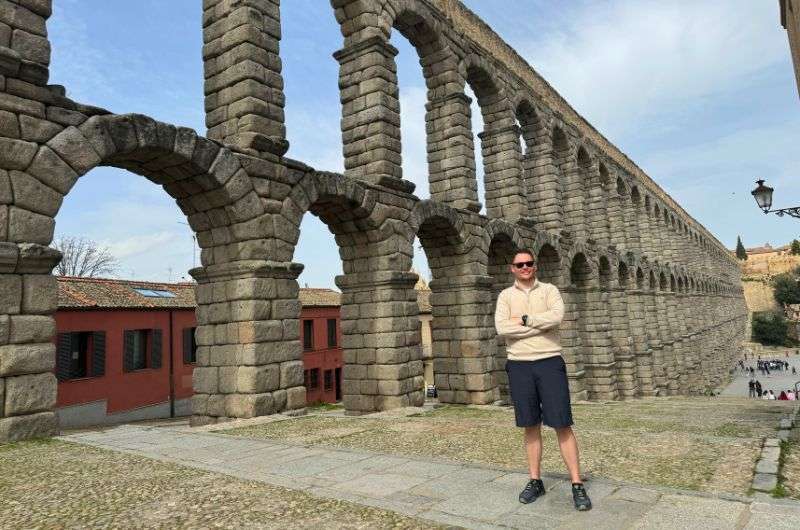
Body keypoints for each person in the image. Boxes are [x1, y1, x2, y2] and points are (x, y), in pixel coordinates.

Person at [495, 249, 591, 511]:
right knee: (530, 424)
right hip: (519, 366)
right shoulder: (505, 296)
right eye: (519, 264)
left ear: (534, 267)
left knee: (562, 423)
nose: (525, 267)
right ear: (512, 269)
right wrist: (540, 325)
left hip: (549, 362)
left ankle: (576, 483)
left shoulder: (550, 291)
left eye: (529, 263)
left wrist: (525, 321)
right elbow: (502, 328)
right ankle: (535, 480)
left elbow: (556, 318)